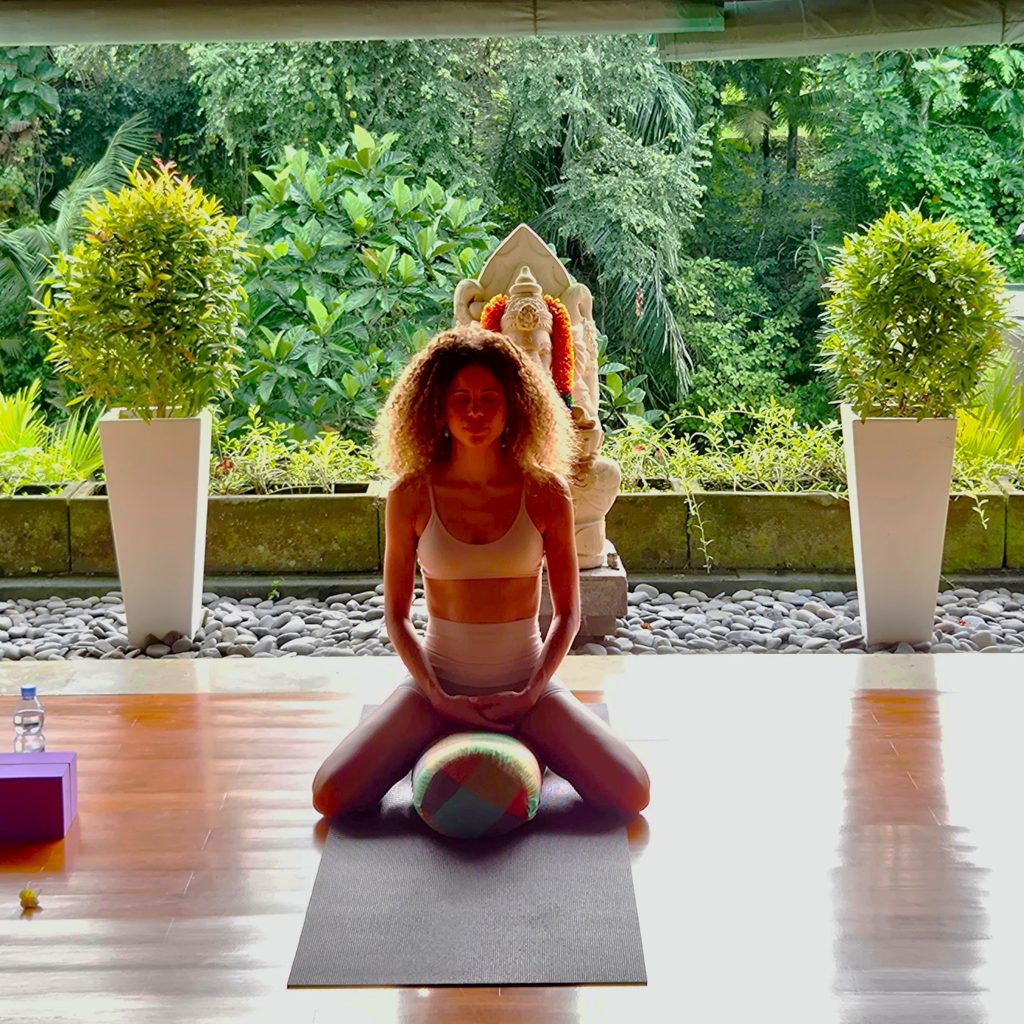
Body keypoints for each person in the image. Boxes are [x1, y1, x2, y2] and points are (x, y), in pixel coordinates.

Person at [312, 324, 650, 820]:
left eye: (489, 399)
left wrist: (532, 693)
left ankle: (505, 739)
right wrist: (436, 696)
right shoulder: (410, 494)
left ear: (514, 406)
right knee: (331, 794)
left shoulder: (546, 492)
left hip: (525, 683)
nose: (475, 413)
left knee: (631, 791)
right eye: (461, 399)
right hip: (437, 685)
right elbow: (397, 618)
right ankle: (456, 736)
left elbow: (567, 616)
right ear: (437, 408)